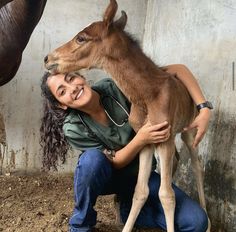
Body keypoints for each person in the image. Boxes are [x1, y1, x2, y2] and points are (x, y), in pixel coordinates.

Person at [40, 64, 211, 232]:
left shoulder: (114, 87)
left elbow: (178, 69)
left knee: (196, 222)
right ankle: (80, 225)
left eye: (71, 78)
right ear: (61, 104)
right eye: (62, 92)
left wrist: (202, 107)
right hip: (107, 177)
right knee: (92, 160)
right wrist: (141, 138)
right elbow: (115, 162)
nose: (72, 88)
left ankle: (127, 211)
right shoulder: (73, 126)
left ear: (82, 76)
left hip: (140, 175)